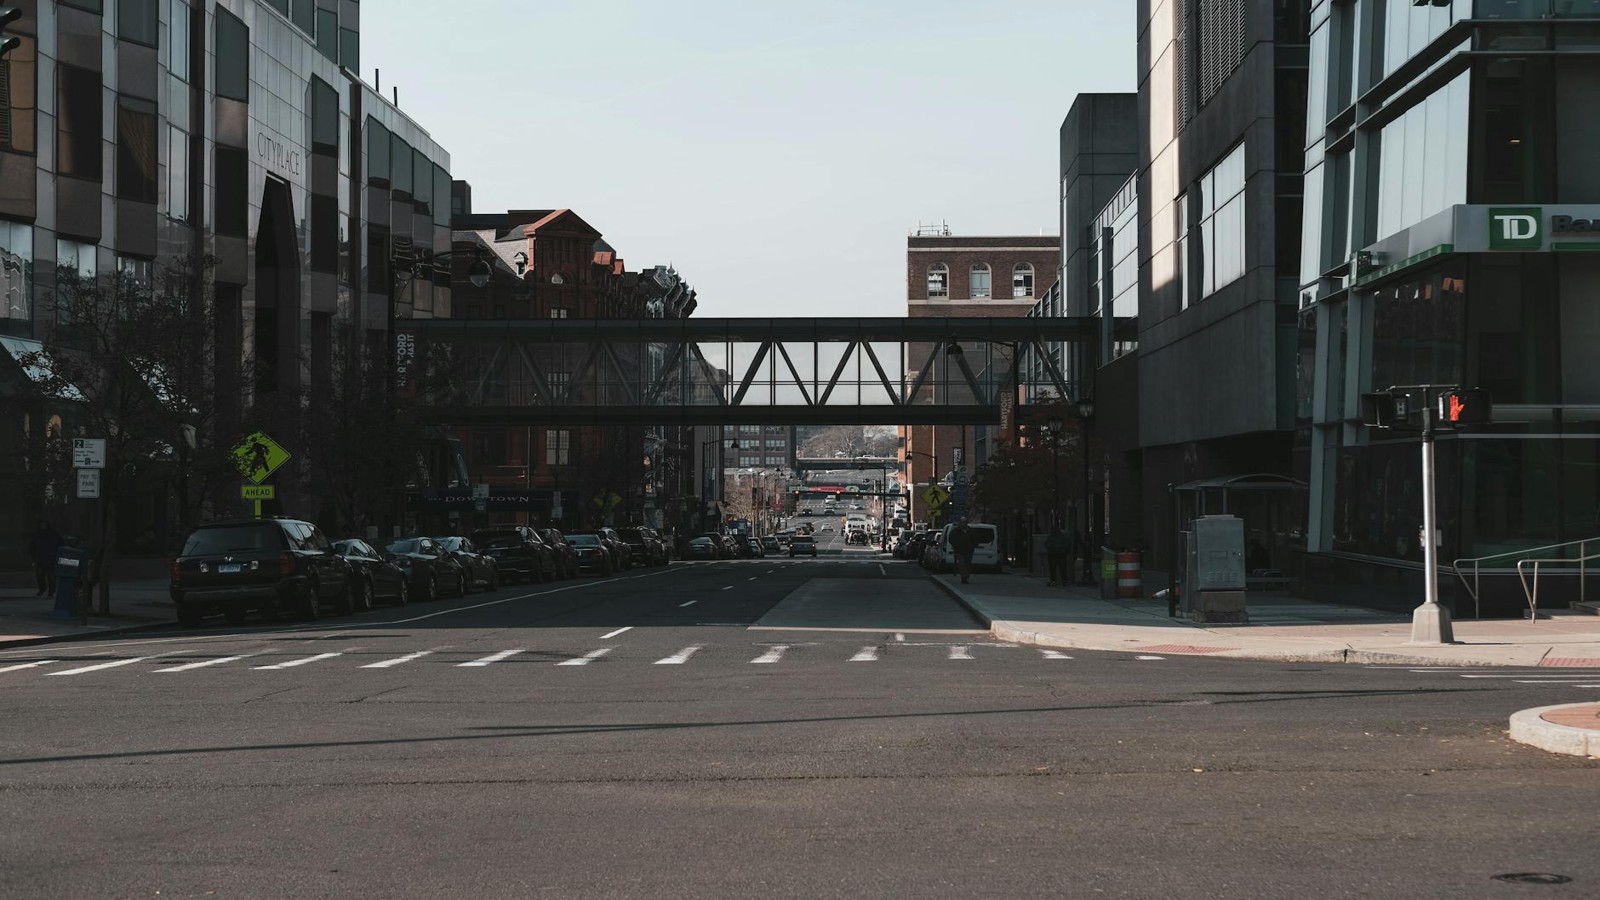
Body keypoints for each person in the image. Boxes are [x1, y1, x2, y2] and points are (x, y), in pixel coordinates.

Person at [27, 520, 62, 597]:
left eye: (44, 524)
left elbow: (60, 544)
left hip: (51, 558)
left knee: (51, 577)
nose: (43, 526)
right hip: (40, 558)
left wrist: (57, 555)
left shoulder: (54, 534)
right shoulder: (37, 534)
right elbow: (32, 546)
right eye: (42, 524)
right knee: (39, 576)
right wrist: (34, 556)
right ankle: (42, 589)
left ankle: (51, 591)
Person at [948, 519, 979, 584]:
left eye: (964, 523)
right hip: (959, 551)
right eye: (961, 523)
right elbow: (951, 539)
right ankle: (964, 576)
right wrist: (955, 546)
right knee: (961, 564)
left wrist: (972, 546)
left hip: (969, 551)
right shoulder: (955, 531)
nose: (963, 524)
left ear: (966, 523)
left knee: (968, 564)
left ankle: (965, 576)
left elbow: (975, 539)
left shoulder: (971, 531)